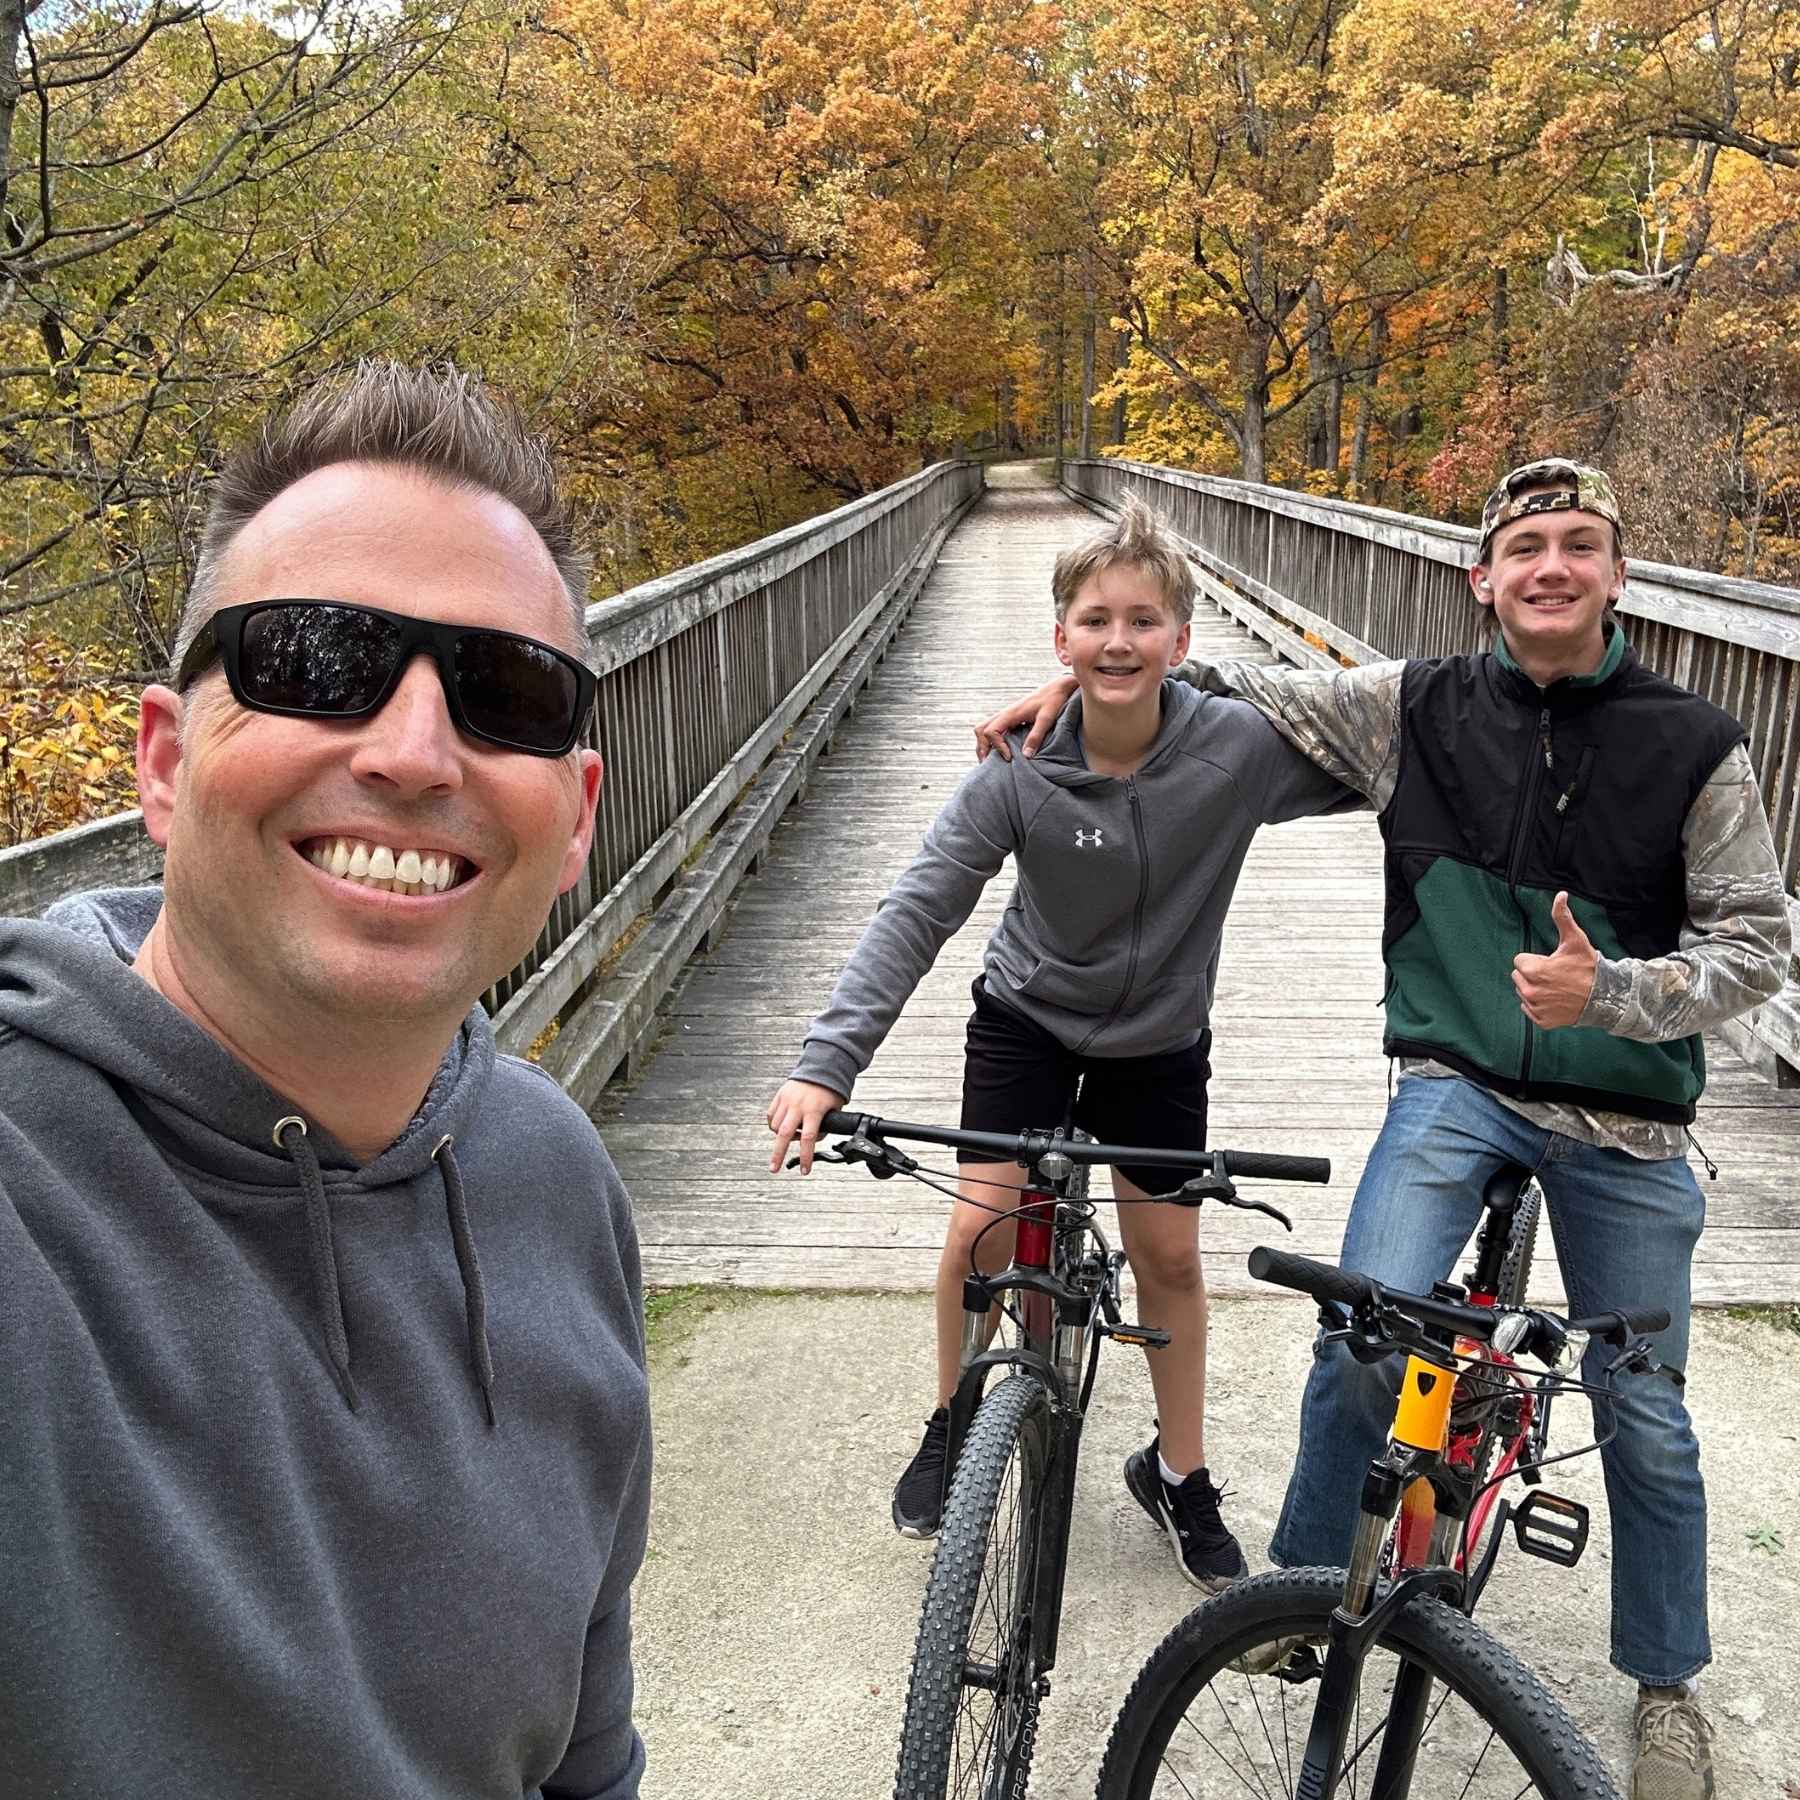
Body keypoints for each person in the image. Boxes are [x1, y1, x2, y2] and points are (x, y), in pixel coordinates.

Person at [975, 458, 1792, 1799]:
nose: (1550, 566)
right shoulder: (1412, 707)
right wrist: (1090, 700)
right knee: (1367, 1326)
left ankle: (1666, 1687)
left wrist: (1619, 995)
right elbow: (1233, 696)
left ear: (1615, 575)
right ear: (1483, 577)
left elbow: (1758, 946)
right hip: (1458, 1079)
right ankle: (1301, 1595)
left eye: (1578, 544)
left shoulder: (1695, 742)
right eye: (1525, 544)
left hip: (1628, 1115)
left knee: (1644, 1411)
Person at [0, 362, 652, 1799]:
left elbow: (582, 1768)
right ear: (164, 765)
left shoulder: (555, 1185)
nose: (417, 754)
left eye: (505, 693)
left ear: (577, 820)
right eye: (311, 660)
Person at [766, 495, 1353, 1589]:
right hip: (1028, 1021)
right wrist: (823, 1064)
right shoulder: (1019, 769)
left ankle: (1179, 1475)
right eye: (1094, 621)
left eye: (1142, 621)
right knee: (986, 1231)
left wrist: (1211, 691)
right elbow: (919, 907)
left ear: (1182, 639)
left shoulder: (1234, 753)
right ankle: (953, 1418)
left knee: (1169, 1256)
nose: (1117, 640)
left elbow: (1369, 736)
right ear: (1060, 639)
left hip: (1161, 1040)